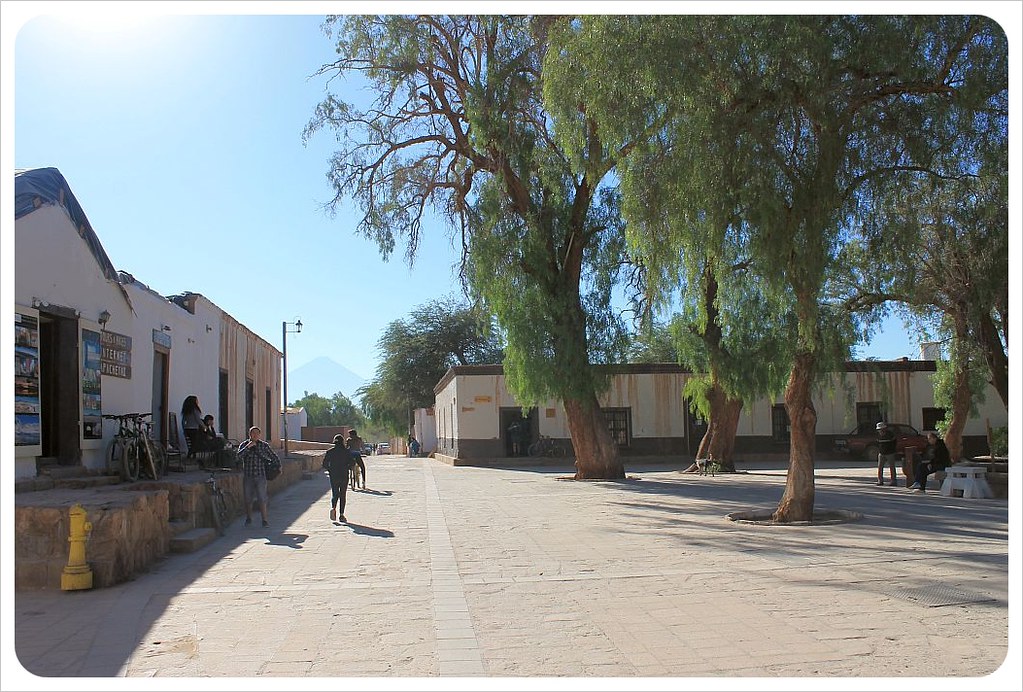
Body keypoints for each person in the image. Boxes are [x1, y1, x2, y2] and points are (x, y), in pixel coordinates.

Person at [236, 426, 279, 528]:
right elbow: (238, 456)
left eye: (256, 433)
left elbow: (273, 456)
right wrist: (248, 447)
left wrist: (278, 466)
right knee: (248, 499)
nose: (254, 435)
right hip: (248, 476)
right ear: (249, 434)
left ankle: (264, 520)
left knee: (262, 498)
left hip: (260, 475)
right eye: (252, 433)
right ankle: (249, 518)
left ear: (259, 435)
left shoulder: (264, 445)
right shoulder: (244, 445)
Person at [322, 434, 353, 523]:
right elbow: (352, 463)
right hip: (344, 475)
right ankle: (342, 514)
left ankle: (333, 508)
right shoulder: (347, 452)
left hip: (334, 475)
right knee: (343, 495)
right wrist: (347, 467)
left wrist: (330, 470)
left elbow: (324, 464)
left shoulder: (330, 452)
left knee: (335, 493)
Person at [875, 421, 898, 486]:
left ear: (884, 429)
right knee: (880, 467)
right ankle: (880, 480)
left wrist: (893, 450)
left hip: (890, 453)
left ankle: (893, 481)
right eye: (879, 430)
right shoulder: (877, 435)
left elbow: (894, 443)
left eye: (881, 429)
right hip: (881, 453)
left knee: (892, 467)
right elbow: (877, 443)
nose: (880, 431)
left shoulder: (890, 434)